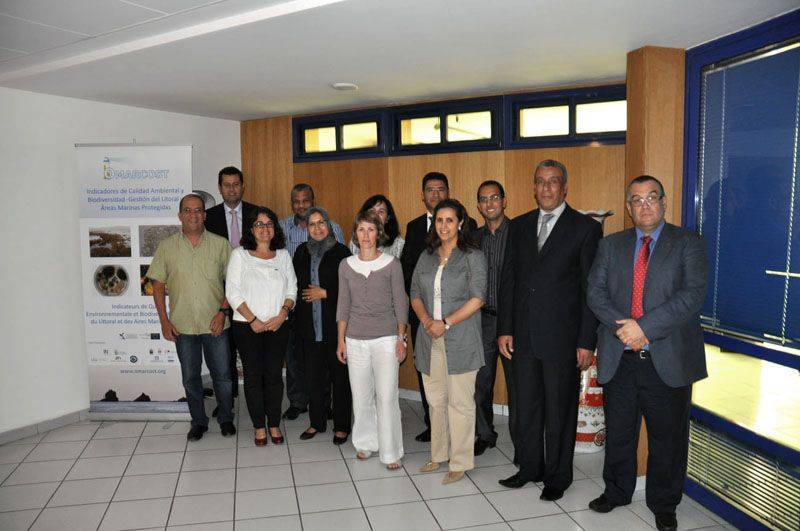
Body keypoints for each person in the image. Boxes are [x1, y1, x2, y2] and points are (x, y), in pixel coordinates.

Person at [586, 175, 708, 531]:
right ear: (628, 207)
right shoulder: (610, 245)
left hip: (667, 359)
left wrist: (644, 328)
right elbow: (595, 293)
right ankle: (617, 491)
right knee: (619, 433)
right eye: (637, 200)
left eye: (651, 198)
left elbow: (692, 296)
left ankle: (664, 503)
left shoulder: (688, 243)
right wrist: (624, 329)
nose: (645, 205)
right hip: (620, 359)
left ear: (664, 202)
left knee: (667, 439)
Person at [497, 159, 602, 502]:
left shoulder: (584, 228)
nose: (546, 187)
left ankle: (558, 477)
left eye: (553, 181)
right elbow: (509, 280)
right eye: (540, 181)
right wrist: (505, 328)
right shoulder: (520, 226)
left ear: (564, 187)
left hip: (563, 340)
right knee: (526, 407)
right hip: (523, 337)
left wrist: (586, 341)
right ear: (534, 187)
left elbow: (590, 291)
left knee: (559, 412)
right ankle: (530, 467)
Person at [411, 199, 487, 485]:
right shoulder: (426, 256)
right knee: (436, 400)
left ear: (461, 223)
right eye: (439, 220)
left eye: (449, 220)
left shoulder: (472, 256)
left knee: (460, 403)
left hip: (462, 339)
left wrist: (446, 323)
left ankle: (460, 461)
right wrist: (427, 321)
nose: (443, 226)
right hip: (429, 338)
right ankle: (439, 454)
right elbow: (415, 292)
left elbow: (478, 298)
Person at [148, 194, 235, 441]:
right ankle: (198, 422)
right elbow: (157, 286)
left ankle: (226, 418)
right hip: (182, 325)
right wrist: (164, 321)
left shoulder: (221, 245)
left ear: (204, 215)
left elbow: (234, 283)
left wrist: (223, 312)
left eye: (198, 210)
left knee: (223, 376)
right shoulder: (167, 247)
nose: (193, 215)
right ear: (180, 215)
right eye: (188, 210)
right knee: (190, 378)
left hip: (215, 323)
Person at [400, 172, 477, 442]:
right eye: (430, 190)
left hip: (458, 320)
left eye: (440, 189)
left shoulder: (469, 227)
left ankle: (464, 436)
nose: (435, 194)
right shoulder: (414, 227)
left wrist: (445, 318)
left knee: (459, 386)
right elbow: (409, 272)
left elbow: (472, 279)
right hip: (423, 317)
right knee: (429, 377)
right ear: (422, 195)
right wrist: (422, 312)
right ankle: (433, 428)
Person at [336, 210, 408, 470]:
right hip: (355, 340)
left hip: (386, 339)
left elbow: (400, 303)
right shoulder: (346, 265)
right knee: (361, 396)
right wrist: (341, 340)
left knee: (387, 397)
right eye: (361, 229)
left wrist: (401, 338)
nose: (365, 235)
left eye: (371, 229)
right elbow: (343, 304)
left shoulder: (392, 264)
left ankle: (391, 451)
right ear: (355, 234)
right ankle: (365, 443)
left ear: (379, 233)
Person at [225, 206, 296, 446]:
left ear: (275, 229)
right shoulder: (240, 255)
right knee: (253, 376)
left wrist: (283, 314)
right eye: (259, 224)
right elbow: (232, 292)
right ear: (251, 229)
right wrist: (253, 320)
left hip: (278, 326)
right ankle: (259, 426)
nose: (264, 228)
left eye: (269, 224)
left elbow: (292, 289)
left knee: (274, 376)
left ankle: (273, 423)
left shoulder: (283, 255)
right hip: (247, 327)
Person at [279, 183, 345, 420]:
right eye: (296, 201)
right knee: (300, 361)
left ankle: (330, 410)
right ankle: (302, 405)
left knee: (330, 365)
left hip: (330, 312)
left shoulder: (336, 236)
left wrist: (326, 293)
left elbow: (343, 271)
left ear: (313, 201)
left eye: (305, 200)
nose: (301, 205)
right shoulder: (286, 233)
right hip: (298, 308)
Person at [294, 207, 352, 443]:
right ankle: (316, 422)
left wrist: (326, 293)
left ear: (329, 225)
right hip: (309, 328)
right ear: (307, 228)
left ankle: (342, 425)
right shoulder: (301, 252)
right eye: (312, 224)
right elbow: (295, 286)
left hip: (336, 327)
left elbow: (352, 290)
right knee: (314, 378)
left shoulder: (342, 252)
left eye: (321, 223)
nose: (317, 228)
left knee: (340, 378)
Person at [205, 166, 259, 407]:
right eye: (226, 185)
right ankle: (227, 399)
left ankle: (255, 398)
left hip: (253, 291)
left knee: (251, 349)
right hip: (221, 292)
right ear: (219, 188)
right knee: (224, 351)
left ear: (242, 186)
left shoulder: (256, 213)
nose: (231, 189)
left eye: (236, 184)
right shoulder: (209, 217)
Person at [473, 180, 516, 458]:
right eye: (484, 199)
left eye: (494, 197)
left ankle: (522, 440)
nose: (489, 203)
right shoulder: (473, 238)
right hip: (483, 320)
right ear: (479, 206)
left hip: (513, 322)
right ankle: (485, 434)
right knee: (480, 383)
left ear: (504, 201)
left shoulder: (519, 233)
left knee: (517, 385)